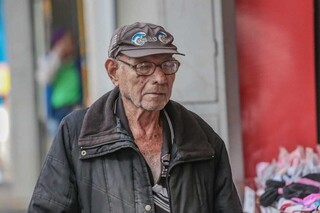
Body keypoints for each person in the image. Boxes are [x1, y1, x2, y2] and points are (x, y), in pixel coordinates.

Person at [28, 22, 242, 213]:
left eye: (167, 66)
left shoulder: (202, 139)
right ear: (113, 72)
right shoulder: (76, 134)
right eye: (144, 67)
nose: (159, 78)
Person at [36, 28, 82, 135]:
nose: (70, 44)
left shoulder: (75, 62)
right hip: (58, 111)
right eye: (65, 41)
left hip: (75, 107)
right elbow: (44, 78)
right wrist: (57, 55)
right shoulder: (49, 60)